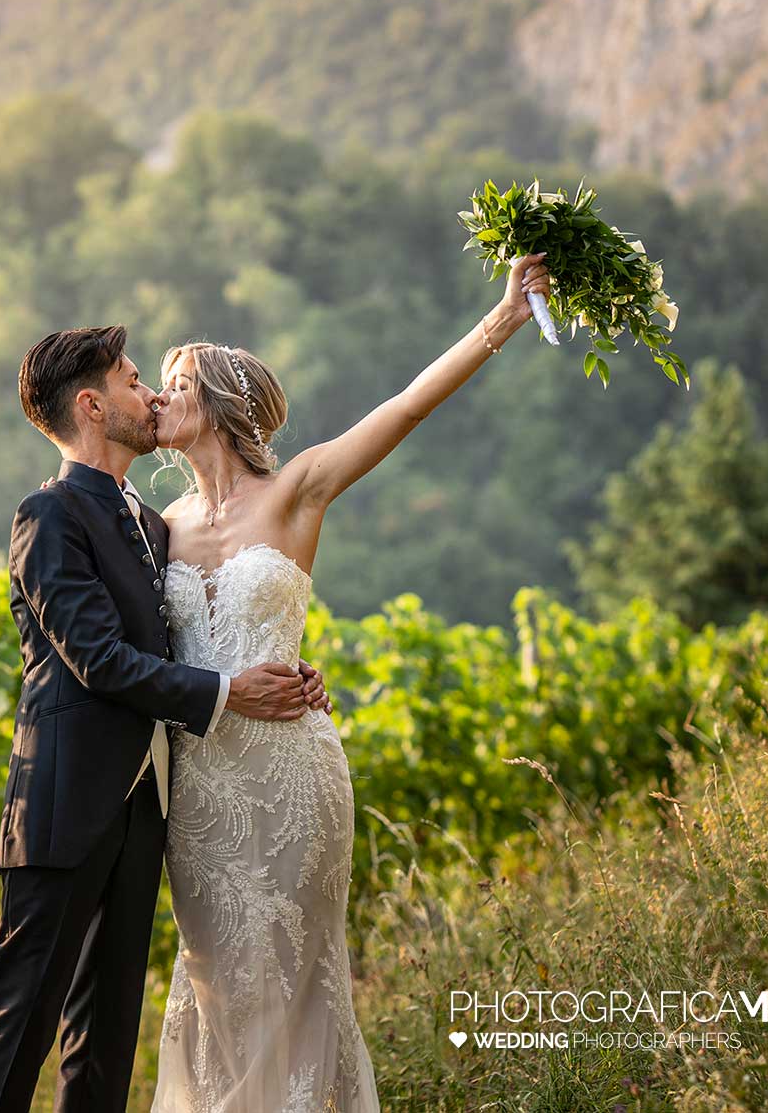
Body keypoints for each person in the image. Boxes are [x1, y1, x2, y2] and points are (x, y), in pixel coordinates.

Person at [146, 251, 552, 1110]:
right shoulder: (157, 526)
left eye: (175, 385)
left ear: (216, 404)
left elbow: (404, 408)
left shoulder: (298, 488)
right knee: (214, 980)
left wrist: (504, 319)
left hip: (293, 777)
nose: (158, 400)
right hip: (200, 794)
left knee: (297, 979)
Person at [0, 324, 331, 1113]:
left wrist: (289, 670)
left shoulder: (152, 522)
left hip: (149, 811)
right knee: (19, 1026)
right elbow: (97, 659)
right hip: (62, 807)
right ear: (93, 407)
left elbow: (201, 622)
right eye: (134, 381)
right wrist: (231, 693)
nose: (151, 394)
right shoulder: (48, 515)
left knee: (104, 1043)